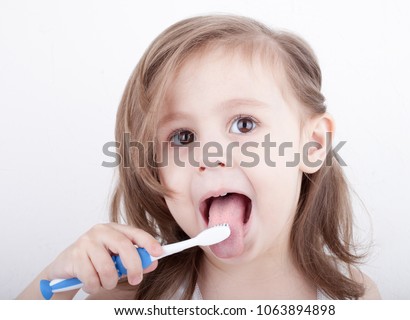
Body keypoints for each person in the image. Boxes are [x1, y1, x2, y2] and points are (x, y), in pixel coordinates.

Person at [17, 14, 380, 300]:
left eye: (243, 124)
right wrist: (54, 280)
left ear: (313, 144)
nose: (211, 155)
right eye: (184, 137)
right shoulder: (132, 294)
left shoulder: (353, 297)